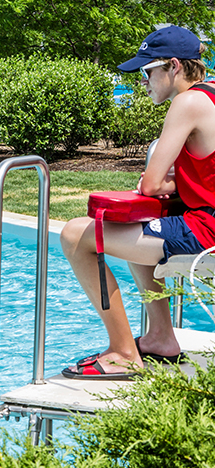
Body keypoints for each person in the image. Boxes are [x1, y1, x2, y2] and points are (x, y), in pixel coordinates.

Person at [60, 25, 215, 380]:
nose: (142, 81)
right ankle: (160, 337)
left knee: (74, 235)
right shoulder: (212, 95)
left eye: (148, 71)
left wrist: (163, 184)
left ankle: (124, 352)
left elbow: (151, 184)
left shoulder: (188, 101)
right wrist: (176, 186)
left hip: (207, 232)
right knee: (130, 228)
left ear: (174, 66)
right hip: (208, 223)